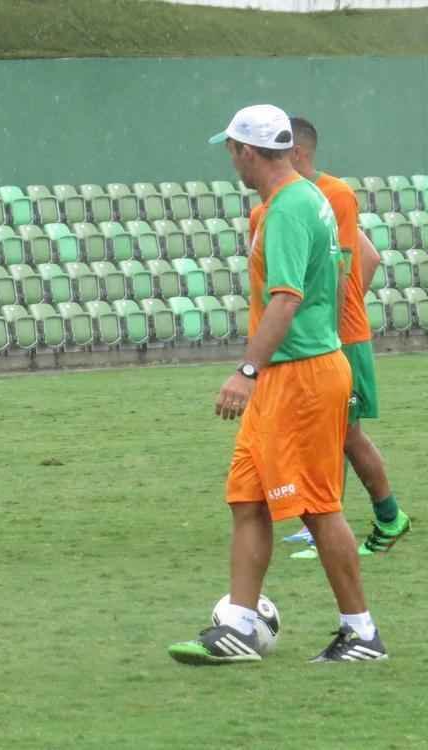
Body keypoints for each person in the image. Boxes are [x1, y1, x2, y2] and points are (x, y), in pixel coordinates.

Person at [169, 104, 387, 664]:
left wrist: (247, 370)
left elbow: (286, 296)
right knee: (247, 498)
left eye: (231, 149)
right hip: (292, 374)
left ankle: (361, 633)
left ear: (247, 150)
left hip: (301, 377)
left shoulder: (289, 208)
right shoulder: (304, 199)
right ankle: (239, 627)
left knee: (316, 506)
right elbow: (341, 276)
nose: (230, 160)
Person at [280, 117, 410, 560]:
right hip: (331, 334)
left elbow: (343, 265)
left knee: (342, 433)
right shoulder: (311, 196)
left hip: (336, 340)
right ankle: (346, 520)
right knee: (332, 432)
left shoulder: (331, 194)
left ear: (297, 152)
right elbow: (369, 256)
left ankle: (374, 519)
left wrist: (332, 324)